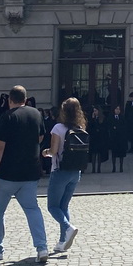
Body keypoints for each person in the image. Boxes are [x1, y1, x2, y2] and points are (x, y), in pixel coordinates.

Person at [0, 85, 49, 264]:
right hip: (30, 172)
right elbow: (41, 138)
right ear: (25, 99)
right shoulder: (36, 114)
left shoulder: (7, 117)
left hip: (7, 173)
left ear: (10, 100)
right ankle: (42, 247)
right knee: (32, 209)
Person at [48, 97, 88, 255]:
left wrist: (45, 152)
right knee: (64, 206)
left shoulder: (58, 128)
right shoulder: (80, 127)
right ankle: (62, 242)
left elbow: (54, 151)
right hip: (75, 172)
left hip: (60, 171)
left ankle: (68, 228)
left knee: (52, 206)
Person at [88, 105, 109, 172]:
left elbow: (104, 128)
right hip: (94, 138)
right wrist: (93, 119)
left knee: (99, 154)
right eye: (94, 111)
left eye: (96, 111)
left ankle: (99, 168)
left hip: (100, 138)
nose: (95, 112)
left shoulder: (103, 118)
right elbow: (90, 127)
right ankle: (93, 168)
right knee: (93, 153)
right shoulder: (92, 119)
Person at [108, 105, 128, 173]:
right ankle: (114, 167)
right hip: (114, 138)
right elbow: (110, 126)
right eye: (116, 109)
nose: (118, 110)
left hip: (121, 138)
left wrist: (117, 128)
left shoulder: (122, 117)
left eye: (119, 109)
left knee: (121, 154)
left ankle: (121, 166)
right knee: (114, 153)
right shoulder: (110, 118)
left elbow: (124, 127)